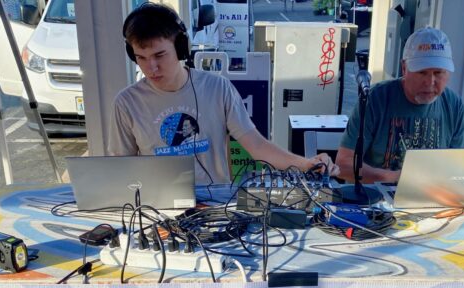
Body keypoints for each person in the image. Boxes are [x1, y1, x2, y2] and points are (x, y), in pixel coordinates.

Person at [107, 3, 339, 185]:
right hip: (157, 207)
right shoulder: (127, 103)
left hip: (216, 204)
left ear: (180, 48)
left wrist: (307, 164)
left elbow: (257, 145)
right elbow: (122, 168)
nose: (151, 68)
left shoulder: (218, 88)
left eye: (159, 55)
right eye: (141, 58)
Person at [336, 27, 464, 184]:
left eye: (438, 73)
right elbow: (343, 165)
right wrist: (395, 178)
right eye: (422, 72)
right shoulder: (375, 99)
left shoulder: (454, 105)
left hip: (430, 197)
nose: (430, 82)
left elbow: (459, 167)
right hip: (376, 198)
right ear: (404, 68)